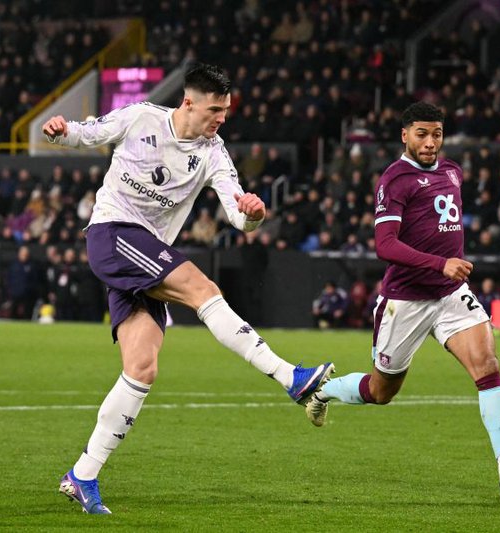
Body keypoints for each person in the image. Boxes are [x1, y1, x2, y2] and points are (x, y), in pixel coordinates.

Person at [41, 63, 334, 515]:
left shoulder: (215, 154)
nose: (222, 118)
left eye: (227, 110)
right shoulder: (140, 117)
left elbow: (238, 214)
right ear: (189, 102)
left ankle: (82, 473)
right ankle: (289, 377)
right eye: (215, 109)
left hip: (146, 256)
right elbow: (85, 133)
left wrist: (252, 214)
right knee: (201, 286)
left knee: (142, 368)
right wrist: (60, 130)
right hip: (113, 233)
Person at [304, 102, 500, 502]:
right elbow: (385, 245)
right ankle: (323, 392)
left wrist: (446, 269)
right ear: (405, 135)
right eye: (422, 134)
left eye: (437, 134)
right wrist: (439, 263)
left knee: (489, 368)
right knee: (381, 392)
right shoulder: (394, 180)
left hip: (450, 296)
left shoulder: (452, 172)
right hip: (405, 301)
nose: (431, 143)